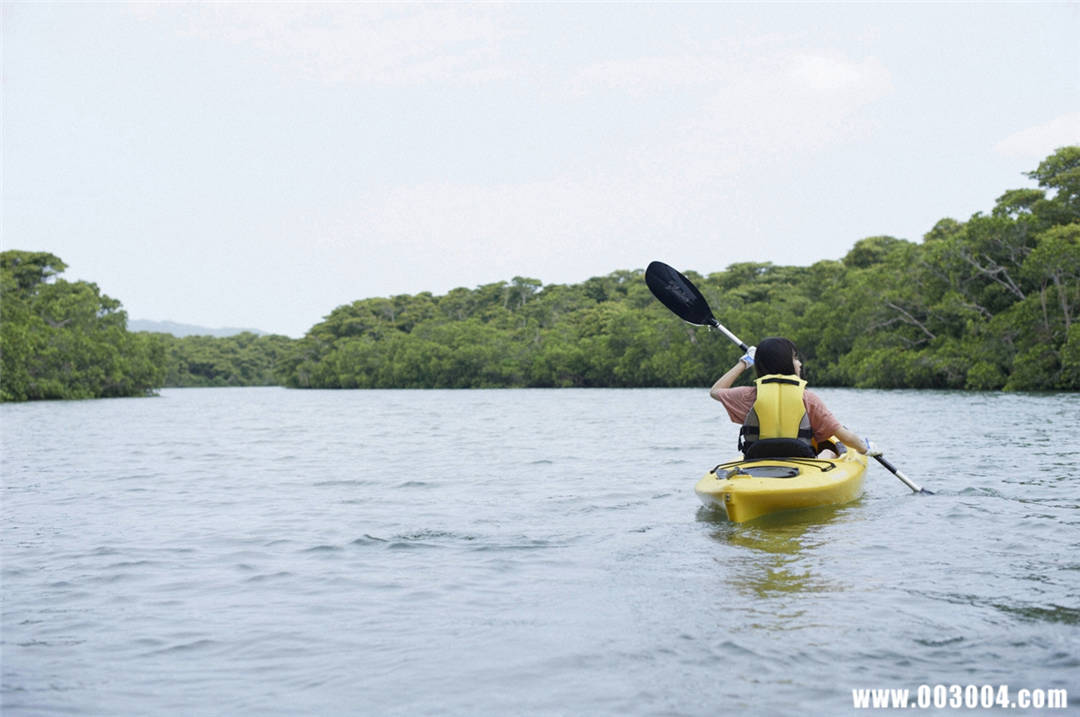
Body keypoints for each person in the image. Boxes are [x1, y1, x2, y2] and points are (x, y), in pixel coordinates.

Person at [709, 337, 879, 460]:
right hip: (801, 464)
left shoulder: (747, 396)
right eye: (795, 358)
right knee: (830, 450)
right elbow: (844, 436)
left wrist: (745, 362)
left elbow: (716, 391)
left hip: (756, 460)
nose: (799, 363)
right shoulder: (808, 398)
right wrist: (866, 449)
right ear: (785, 363)